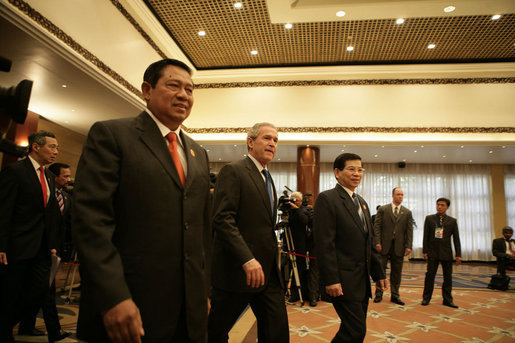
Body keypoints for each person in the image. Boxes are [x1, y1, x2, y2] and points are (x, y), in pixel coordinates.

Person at [72, 58, 212, 343]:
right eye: (174, 85)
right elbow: (91, 222)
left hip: (189, 309)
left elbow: (201, 231)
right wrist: (113, 296)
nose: (184, 95)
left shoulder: (198, 152)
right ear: (147, 90)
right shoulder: (112, 135)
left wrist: (202, 291)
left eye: (190, 89)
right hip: (131, 305)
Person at [208, 122, 289, 343]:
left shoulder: (268, 178)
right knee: (215, 332)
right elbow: (223, 219)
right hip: (238, 271)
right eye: (267, 138)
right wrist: (247, 258)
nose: (272, 143)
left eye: (275, 140)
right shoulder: (234, 171)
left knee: (277, 331)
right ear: (250, 142)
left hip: (268, 272)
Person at [314, 153, 387, 343]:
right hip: (342, 281)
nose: (357, 174)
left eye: (360, 169)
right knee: (355, 331)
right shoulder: (327, 199)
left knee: (353, 330)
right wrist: (331, 279)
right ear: (337, 172)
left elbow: (369, 242)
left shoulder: (361, 202)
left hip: (361, 281)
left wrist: (378, 274)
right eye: (351, 169)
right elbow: (324, 243)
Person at [0, 130, 60, 343]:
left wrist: (52, 244)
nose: (56, 151)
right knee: (11, 293)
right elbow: (4, 210)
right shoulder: (15, 172)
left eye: (57, 147)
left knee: (38, 291)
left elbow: (50, 213)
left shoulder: (50, 177)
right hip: (18, 245)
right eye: (51, 147)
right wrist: (1, 246)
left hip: (42, 248)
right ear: (36, 146)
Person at [18, 163, 73, 342]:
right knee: (45, 290)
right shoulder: (45, 195)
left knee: (42, 290)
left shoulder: (66, 197)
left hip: (55, 252)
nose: (68, 180)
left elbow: (65, 227)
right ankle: (54, 331)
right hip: (39, 249)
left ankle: (27, 325)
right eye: (65, 176)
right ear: (54, 176)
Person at [373, 187, 413, 305]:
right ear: (393, 195)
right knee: (380, 272)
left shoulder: (407, 212)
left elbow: (409, 231)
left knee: (397, 273)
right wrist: (377, 242)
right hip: (383, 246)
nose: (400, 197)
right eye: (398, 194)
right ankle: (378, 294)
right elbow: (377, 227)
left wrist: (408, 245)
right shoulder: (383, 209)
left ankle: (395, 295)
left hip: (399, 247)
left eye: (402, 195)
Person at [421, 197, 461, 308]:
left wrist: (458, 254)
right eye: (438, 204)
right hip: (432, 252)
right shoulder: (429, 219)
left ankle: (448, 300)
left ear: (447, 207)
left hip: (446, 253)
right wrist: (425, 251)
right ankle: (426, 298)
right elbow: (426, 236)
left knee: (447, 277)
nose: (439, 207)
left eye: (442, 205)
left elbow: (456, 239)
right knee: (430, 276)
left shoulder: (452, 221)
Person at [287, 191, 316, 306]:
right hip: (288, 243)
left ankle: (297, 294)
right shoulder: (287, 211)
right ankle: (287, 292)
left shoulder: (304, 210)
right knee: (288, 269)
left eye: (295, 199)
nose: (292, 201)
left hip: (300, 246)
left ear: (300, 201)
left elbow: (305, 221)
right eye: (291, 199)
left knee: (299, 269)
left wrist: (296, 209)